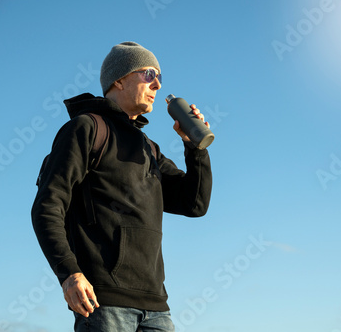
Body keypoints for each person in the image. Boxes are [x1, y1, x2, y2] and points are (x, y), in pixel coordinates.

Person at [31, 41, 212, 331]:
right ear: (119, 79)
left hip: (157, 308)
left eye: (161, 79)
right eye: (149, 74)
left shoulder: (149, 149)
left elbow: (195, 204)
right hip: (104, 304)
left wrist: (195, 149)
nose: (157, 85)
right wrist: (69, 273)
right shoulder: (87, 129)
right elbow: (47, 205)